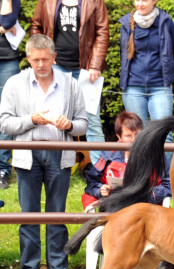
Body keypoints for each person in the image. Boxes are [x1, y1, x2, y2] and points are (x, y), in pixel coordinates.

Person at [0, 34, 88, 269]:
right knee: (28, 215)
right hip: (27, 155)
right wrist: (32, 120)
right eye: (36, 59)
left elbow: (83, 124)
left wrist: (69, 125)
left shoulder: (70, 84)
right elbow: (4, 122)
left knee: (57, 215)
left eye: (45, 59)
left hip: (60, 153)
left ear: (54, 58)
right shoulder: (14, 84)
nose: (40, 64)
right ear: (28, 58)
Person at [31, 0, 110, 166]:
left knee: (92, 121)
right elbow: (36, 26)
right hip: (56, 67)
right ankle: (54, 166)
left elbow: (102, 32)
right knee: (54, 118)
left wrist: (95, 64)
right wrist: (43, 56)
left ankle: (101, 170)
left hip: (86, 70)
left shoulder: (95, 2)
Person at [119, 0, 174, 163]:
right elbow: (124, 55)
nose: (140, 3)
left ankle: (166, 181)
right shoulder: (126, 22)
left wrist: (170, 76)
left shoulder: (166, 22)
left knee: (164, 134)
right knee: (137, 136)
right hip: (133, 89)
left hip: (160, 88)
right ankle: (142, 181)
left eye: (145, 0)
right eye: (137, 0)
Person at [81, 111, 171, 210]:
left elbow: (168, 184)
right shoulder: (109, 154)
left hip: (146, 210)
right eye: (128, 136)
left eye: (137, 134)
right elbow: (91, 183)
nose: (134, 140)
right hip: (115, 210)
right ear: (119, 137)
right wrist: (100, 190)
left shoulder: (155, 153)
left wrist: (147, 194)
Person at [0, 0, 21, 189]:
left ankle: (2, 170)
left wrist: (4, 28)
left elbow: (8, 22)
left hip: (6, 60)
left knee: (5, 115)